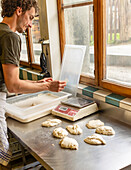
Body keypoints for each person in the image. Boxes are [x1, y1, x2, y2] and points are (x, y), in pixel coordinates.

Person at [0, 0, 66, 168]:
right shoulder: (10, 37)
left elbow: (10, 78)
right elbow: (13, 85)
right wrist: (47, 87)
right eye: (30, 18)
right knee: (2, 158)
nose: (30, 25)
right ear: (18, 10)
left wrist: (38, 82)